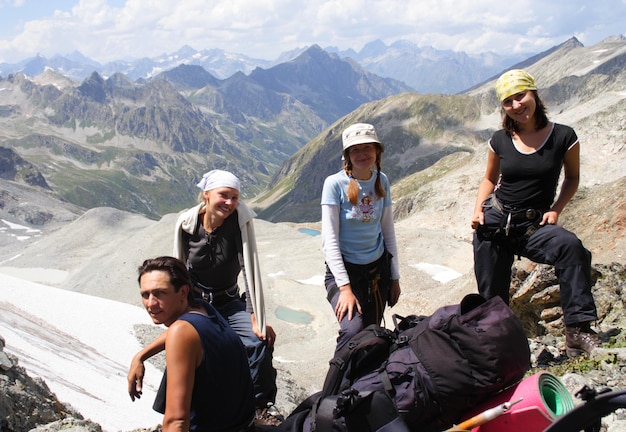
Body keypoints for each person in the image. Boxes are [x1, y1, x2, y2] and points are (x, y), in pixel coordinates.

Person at [128, 170, 281, 427]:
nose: (230, 203)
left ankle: (257, 405)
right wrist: (142, 354)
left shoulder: (238, 223)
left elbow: (248, 268)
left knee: (258, 340)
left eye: (235, 197)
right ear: (206, 195)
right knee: (184, 348)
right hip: (197, 301)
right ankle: (175, 410)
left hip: (230, 301)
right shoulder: (189, 225)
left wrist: (255, 314)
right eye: (224, 195)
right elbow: (180, 270)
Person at [470, 69, 601, 358]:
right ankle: (501, 353)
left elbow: (572, 178)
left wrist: (556, 209)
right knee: (492, 295)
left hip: (534, 224)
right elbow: (489, 180)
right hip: (494, 222)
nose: (517, 105)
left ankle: (578, 332)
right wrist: (479, 210)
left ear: (534, 94)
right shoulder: (500, 139)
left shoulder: (564, 136)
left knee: (570, 248)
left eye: (521, 96)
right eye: (508, 101)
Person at [133, 256, 255, 432]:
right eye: (145, 295)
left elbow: (177, 421)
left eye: (160, 293)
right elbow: (179, 332)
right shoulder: (204, 309)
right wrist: (140, 356)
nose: (151, 303)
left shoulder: (181, 332)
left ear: (183, 292)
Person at [321, 122, 401, 354]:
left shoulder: (382, 180)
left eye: (367, 147)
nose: (362, 154)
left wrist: (394, 277)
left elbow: (388, 232)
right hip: (346, 274)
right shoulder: (334, 184)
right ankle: (338, 383)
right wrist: (345, 289)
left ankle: (366, 383)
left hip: (378, 272)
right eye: (355, 149)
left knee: (373, 331)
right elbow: (330, 241)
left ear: (377, 152)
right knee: (352, 330)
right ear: (347, 155)